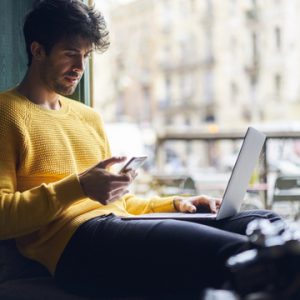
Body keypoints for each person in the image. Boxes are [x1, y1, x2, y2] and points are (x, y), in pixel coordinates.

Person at [0, 0, 281, 298]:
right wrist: (79, 187)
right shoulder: (7, 113)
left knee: (267, 225)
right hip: (76, 249)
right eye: (70, 54)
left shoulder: (87, 117)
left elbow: (119, 204)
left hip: (115, 226)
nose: (80, 67)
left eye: (85, 56)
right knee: (243, 253)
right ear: (38, 50)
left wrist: (174, 204)